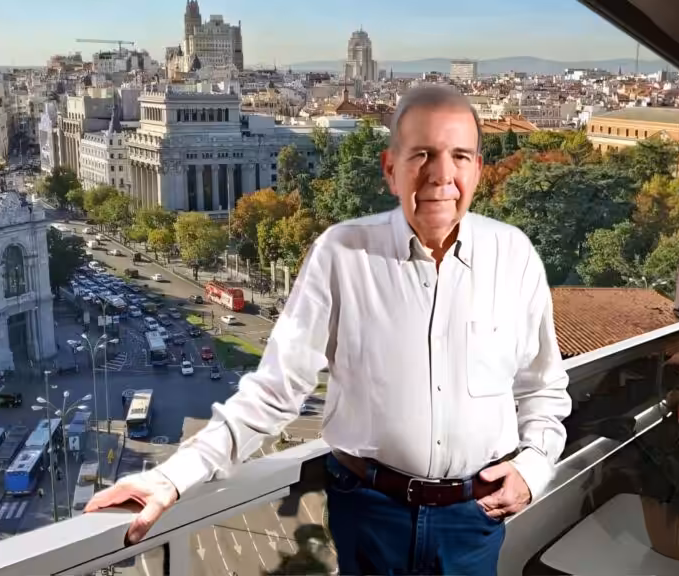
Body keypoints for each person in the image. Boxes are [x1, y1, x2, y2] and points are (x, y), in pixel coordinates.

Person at [86, 85, 572, 574]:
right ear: (390, 169)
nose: (441, 175)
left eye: (460, 156)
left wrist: (532, 470)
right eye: (422, 154)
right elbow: (277, 389)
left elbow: (544, 388)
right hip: (368, 512)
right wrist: (173, 477)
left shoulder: (514, 255)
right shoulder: (342, 252)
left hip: (474, 516)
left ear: (478, 171)